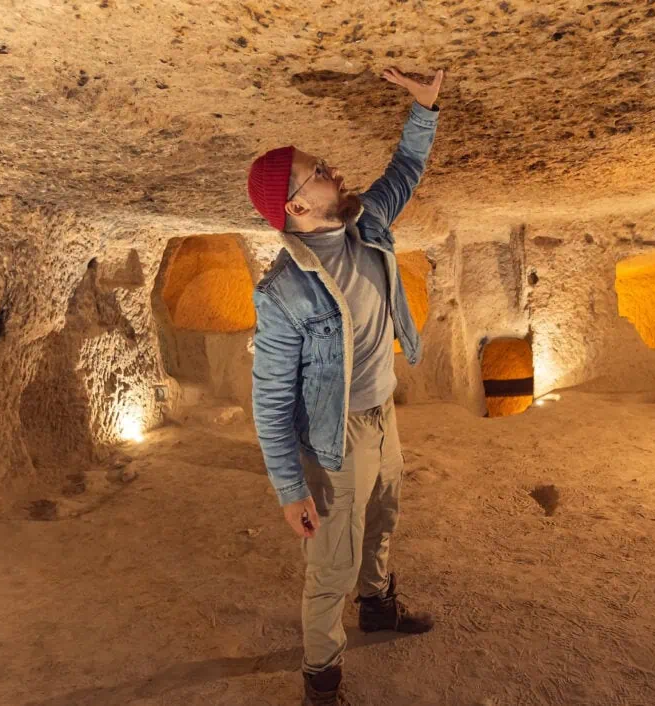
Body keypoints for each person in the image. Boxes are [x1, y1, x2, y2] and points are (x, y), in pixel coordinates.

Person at [245, 67, 444, 706]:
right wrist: (289, 488)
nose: (334, 171)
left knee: (383, 516)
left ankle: (378, 608)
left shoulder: (366, 224)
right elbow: (271, 399)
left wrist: (424, 108)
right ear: (296, 207)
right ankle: (322, 680)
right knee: (332, 562)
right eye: (319, 171)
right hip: (336, 437)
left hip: (382, 411)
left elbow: (404, 171)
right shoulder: (283, 292)